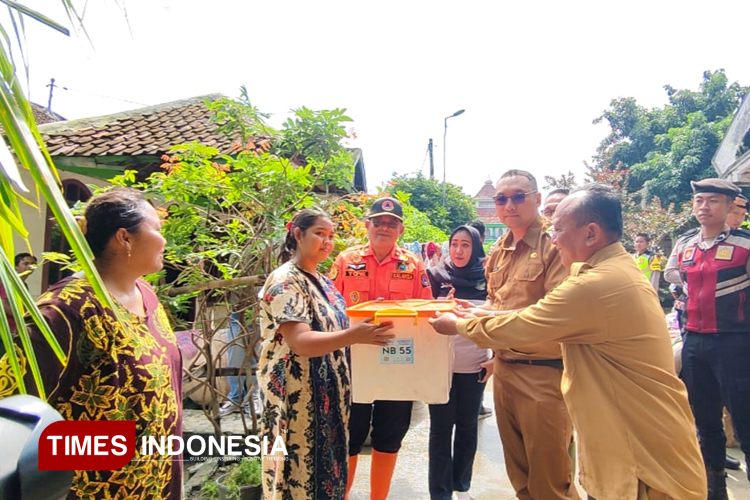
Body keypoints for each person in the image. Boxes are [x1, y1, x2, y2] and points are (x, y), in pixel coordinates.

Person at [430, 184, 707, 500]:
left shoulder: (597, 284)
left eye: (558, 228)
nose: (553, 238)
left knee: (549, 486)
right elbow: (541, 312)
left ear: (591, 234)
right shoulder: (607, 271)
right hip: (630, 446)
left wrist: (459, 325)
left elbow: (531, 323)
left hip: (643, 459)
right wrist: (481, 313)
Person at [0, 187, 184, 499]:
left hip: (159, 481)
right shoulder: (69, 311)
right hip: (98, 489)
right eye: (157, 229)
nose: (164, 240)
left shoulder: (146, 295)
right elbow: (10, 404)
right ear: (124, 238)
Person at [445, 170, 579, 500]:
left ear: (536, 199)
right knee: (520, 477)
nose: (509, 205)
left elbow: (553, 317)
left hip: (544, 372)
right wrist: (474, 310)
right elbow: (497, 301)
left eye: (519, 196)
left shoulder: (556, 245)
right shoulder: (500, 249)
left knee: (551, 482)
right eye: (501, 199)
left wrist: (469, 323)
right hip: (505, 369)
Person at [258, 208, 395, 500]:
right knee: (295, 478)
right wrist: (354, 336)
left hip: (328, 401)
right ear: (297, 234)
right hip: (297, 403)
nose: (327, 241)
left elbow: (336, 321)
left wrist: (371, 310)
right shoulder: (286, 280)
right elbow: (301, 341)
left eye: (331, 236)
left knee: (326, 476)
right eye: (319, 234)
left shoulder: (323, 281)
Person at [329, 196, 433, 500]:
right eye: (378, 222)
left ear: (400, 230)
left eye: (391, 224)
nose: (384, 228)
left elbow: (426, 310)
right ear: (367, 226)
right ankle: (342, 495)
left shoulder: (412, 265)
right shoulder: (346, 261)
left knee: (390, 433)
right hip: (353, 361)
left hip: (398, 362)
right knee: (350, 432)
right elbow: (332, 309)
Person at [664, 178, 750, 498]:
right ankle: (715, 490)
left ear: (729, 206)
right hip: (695, 342)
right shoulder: (685, 244)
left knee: (745, 420)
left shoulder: (744, 244)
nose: (704, 207)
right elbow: (675, 275)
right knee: (705, 421)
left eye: (713, 201)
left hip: (736, 343)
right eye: (699, 200)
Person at [426, 225, 493, 500]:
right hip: (439, 367)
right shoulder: (434, 275)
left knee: (467, 427)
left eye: (466, 245)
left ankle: (460, 484)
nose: (459, 250)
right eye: (454, 244)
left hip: (474, 365)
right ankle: (439, 493)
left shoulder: (488, 278)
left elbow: (501, 318)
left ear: (475, 247)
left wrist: (496, 359)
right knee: (440, 430)